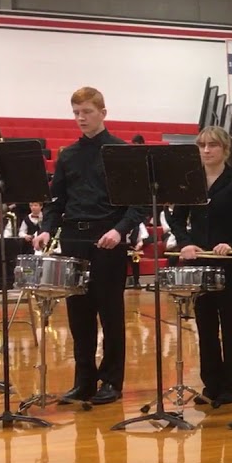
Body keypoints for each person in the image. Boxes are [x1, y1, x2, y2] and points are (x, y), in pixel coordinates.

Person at [33, 87, 147, 406]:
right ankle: (84, 380)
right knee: (78, 315)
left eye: (86, 112)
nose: (80, 118)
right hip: (73, 239)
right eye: (76, 112)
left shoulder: (120, 151)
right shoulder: (68, 155)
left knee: (110, 314)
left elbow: (138, 205)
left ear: (103, 113)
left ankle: (111, 380)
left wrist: (119, 230)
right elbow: (56, 202)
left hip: (107, 239)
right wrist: (46, 230)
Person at [171, 126, 232, 405]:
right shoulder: (191, 181)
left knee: (230, 324)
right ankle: (211, 384)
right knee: (205, 324)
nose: (206, 150)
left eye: (212, 145)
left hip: (228, 264)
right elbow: (177, 219)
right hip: (199, 263)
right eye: (202, 146)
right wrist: (185, 242)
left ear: (225, 149)